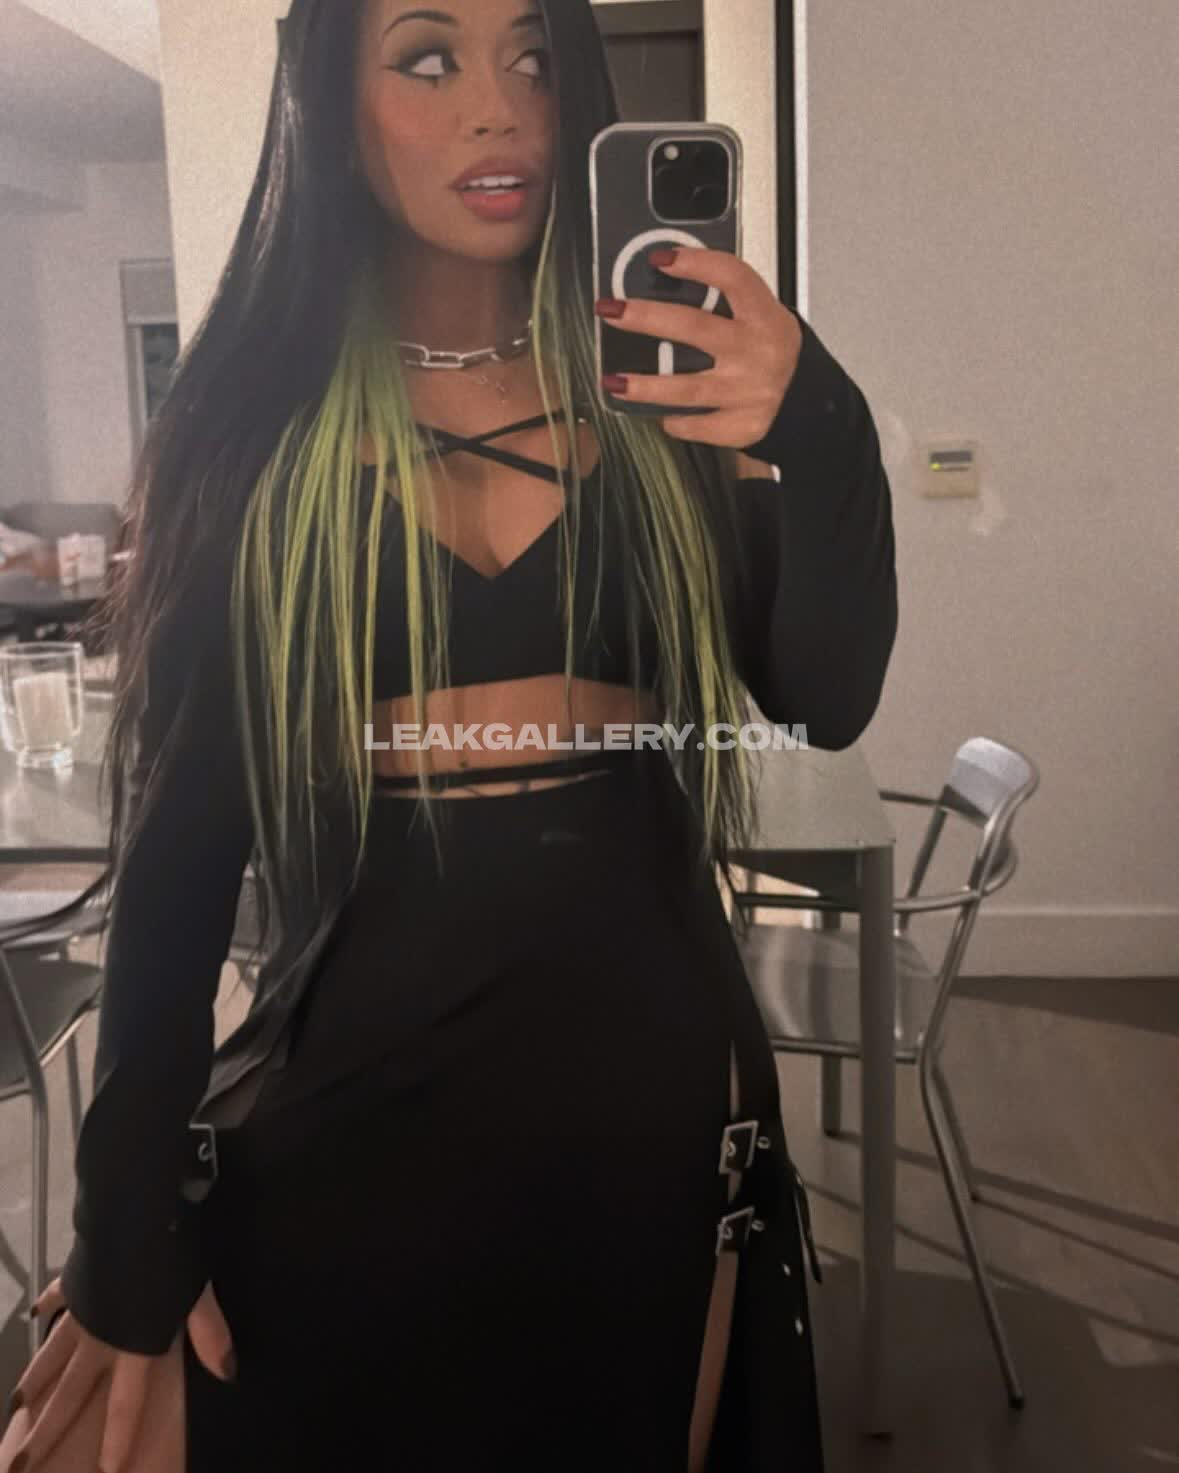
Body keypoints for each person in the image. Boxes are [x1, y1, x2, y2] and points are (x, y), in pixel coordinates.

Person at [4, 0, 898, 1469]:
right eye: (428, 59)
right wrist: (128, 1235)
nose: (500, 106)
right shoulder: (257, 449)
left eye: (533, 57)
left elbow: (826, 694)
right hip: (344, 1137)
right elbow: (173, 874)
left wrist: (825, 426)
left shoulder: (667, 421)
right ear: (334, 111)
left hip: (652, 1141)